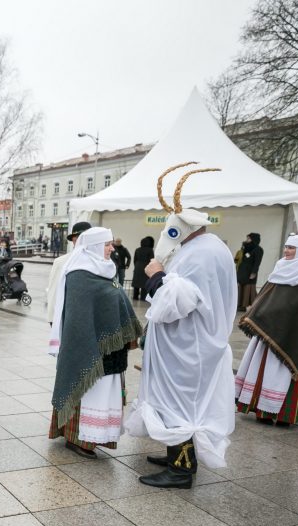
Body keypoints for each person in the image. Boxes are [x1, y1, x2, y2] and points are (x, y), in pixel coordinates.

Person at [125, 165, 237, 489]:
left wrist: (157, 274)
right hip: (192, 344)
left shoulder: (198, 255)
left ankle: (180, 468)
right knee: (178, 401)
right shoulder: (209, 247)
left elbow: (177, 303)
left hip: (188, 347)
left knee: (180, 402)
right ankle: (176, 453)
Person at [47, 227, 143, 458]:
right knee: (89, 390)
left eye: (111, 243)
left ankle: (97, 436)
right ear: (93, 246)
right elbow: (78, 320)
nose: (112, 248)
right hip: (89, 348)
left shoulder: (107, 269)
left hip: (111, 350)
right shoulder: (79, 274)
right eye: (107, 244)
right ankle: (78, 438)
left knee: (104, 393)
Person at [235, 234, 298, 427]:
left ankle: (285, 415)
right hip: (268, 333)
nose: (286, 251)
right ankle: (263, 411)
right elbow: (265, 297)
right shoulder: (280, 268)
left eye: (291, 248)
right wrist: (259, 313)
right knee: (265, 370)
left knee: (285, 373)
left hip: (295, 334)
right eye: (286, 247)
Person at [45, 221, 91, 323]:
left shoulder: (99, 262)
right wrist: (53, 319)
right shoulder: (61, 262)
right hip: (70, 319)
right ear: (74, 240)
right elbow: (54, 292)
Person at [237, 232, 264, 311]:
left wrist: (254, 272)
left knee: (248, 289)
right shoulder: (246, 248)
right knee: (241, 288)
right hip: (242, 271)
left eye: (249, 238)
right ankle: (241, 306)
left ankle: (255, 306)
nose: (246, 240)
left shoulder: (258, 249)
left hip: (249, 272)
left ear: (254, 239)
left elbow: (257, 262)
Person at [131, 236, 155, 300]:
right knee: (144, 283)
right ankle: (143, 297)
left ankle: (135, 297)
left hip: (137, 266)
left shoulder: (137, 249)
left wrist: (136, 266)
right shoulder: (150, 250)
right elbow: (151, 259)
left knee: (136, 283)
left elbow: (135, 259)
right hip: (146, 266)